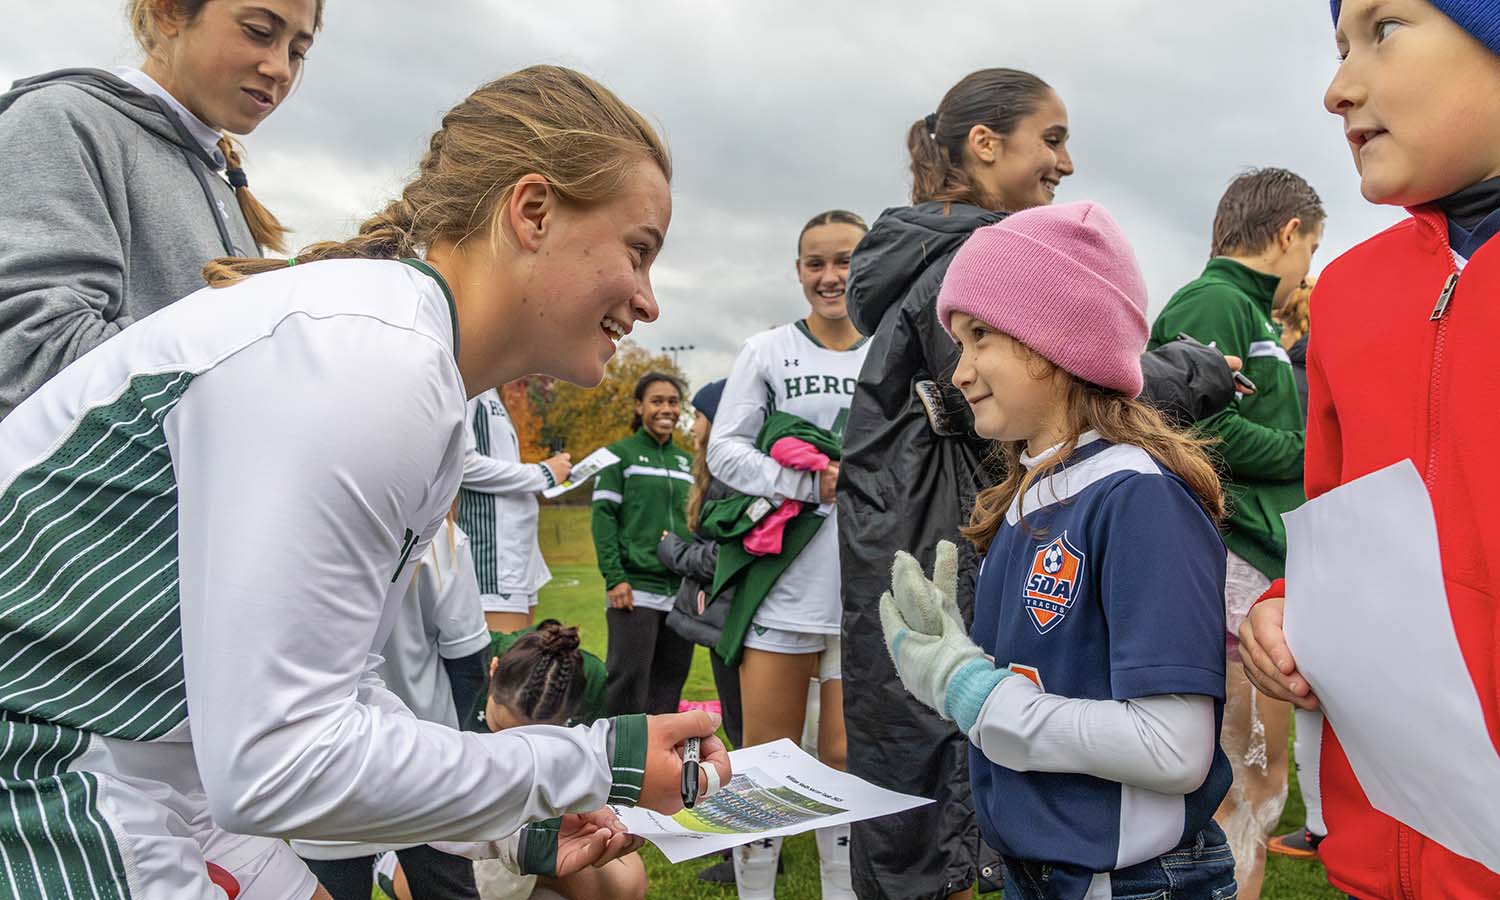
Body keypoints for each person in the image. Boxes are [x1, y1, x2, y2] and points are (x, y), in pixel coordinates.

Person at [0, 64, 730, 899]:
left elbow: (337, 687)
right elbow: (279, 761)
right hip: (45, 752)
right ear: (532, 212)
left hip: (147, 752)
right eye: (639, 251)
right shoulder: (375, 361)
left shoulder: (408, 362)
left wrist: (511, 816)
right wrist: (593, 762)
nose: (647, 301)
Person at [837, 68, 1242, 900]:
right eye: (1051, 139)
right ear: (983, 143)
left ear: (1057, 344)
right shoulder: (1023, 493)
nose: (957, 369)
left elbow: (1170, 747)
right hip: (1042, 862)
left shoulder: (1132, 496)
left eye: (980, 337)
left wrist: (971, 688)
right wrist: (956, 661)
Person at [1240, 2, 1500, 897]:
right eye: (1339, 45)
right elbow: (1337, 520)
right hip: (1375, 851)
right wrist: (1287, 608)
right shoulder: (1348, 292)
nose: (1338, 88)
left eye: (1384, 28)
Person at [0, 0, 320, 419]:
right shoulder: (62, 121)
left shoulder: (223, 187)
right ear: (167, 12)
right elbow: (32, 354)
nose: (280, 68)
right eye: (259, 31)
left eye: (297, 52)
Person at [1147, 167, 1323, 900]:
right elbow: (1192, 424)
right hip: (1231, 561)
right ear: (1288, 235)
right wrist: (1314, 454)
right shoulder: (1215, 299)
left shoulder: (1250, 312)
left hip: (1257, 556)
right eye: (1311, 249)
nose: (1307, 270)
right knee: (1241, 781)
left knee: (1257, 779)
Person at [707, 209, 870, 900]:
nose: (830, 276)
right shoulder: (768, 349)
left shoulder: (892, 349)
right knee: (765, 759)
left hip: (863, 591)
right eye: (815, 263)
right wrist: (804, 481)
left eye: (845, 261)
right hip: (785, 587)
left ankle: (840, 891)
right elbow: (724, 449)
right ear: (798, 271)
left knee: (843, 755)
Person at [295, 515, 491, 900]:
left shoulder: (302, 528)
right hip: (425, 760)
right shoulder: (440, 538)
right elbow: (469, 663)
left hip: (326, 759)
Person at [469, 622, 647, 900]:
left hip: (535, 816)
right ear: (492, 672)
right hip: (459, 815)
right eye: (501, 729)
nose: (513, 749)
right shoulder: (468, 655)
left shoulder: (591, 679)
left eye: (532, 738)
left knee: (628, 884)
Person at [590, 372, 696, 716]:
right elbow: (603, 519)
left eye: (673, 401)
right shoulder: (618, 456)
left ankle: (659, 764)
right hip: (635, 589)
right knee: (628, 680)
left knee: (670, 682)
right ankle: (615, 759)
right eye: (657, 401)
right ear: (639, 407)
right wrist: (614, 577)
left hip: (680, 595)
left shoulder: (688, 463)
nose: (666, 409)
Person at [460, 386, 573, 633]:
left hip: (520, 556)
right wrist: (543, 472)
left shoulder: (493, 393)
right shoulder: (469, 385)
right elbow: (462, 464)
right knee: (500, 665)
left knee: (518, 661)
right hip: (494, 558)